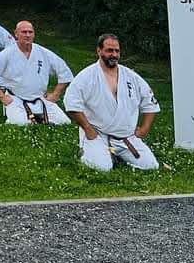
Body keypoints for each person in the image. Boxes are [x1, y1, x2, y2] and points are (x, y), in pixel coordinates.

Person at [65, 33, 161, 171]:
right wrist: (88, 129)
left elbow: (150, 103)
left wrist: (144, 129)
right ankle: (89, 151)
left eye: (117, 51)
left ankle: (114, 154)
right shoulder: (87, 76)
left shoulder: (131, 76)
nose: (114, 55)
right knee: (102, 168)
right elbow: (71, 104)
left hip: (125, 137)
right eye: (109, 50)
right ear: (99, 51)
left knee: (151, 166)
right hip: (97, 134)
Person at [0, 21, 74, 125]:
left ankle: (37, 118)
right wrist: (2, 97)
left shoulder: (42, 52)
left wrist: (56, 94)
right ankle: (31, 118)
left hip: (40, 98)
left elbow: (65, 72)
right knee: (20, 123)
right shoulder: (7, 53)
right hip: (16, 98)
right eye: (24, 32)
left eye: (30, 32)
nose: (27, 35)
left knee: (64, 122)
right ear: (16, 34)